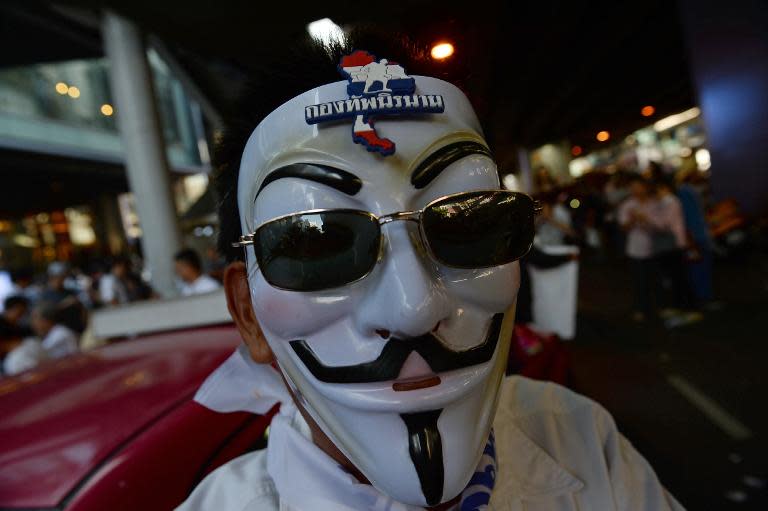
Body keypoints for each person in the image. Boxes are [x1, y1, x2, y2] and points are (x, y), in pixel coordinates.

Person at [179, 32, 683, 510]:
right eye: (322, 246)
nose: (413, 310)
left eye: (470, 229)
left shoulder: (577, 436)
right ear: (248, 313)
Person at [618, 176, 659, 321]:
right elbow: (623, 227)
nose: (635, 190)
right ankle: (640, 308)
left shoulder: (654, 203)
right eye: (633, 187)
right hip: (635, 250)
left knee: (654, 280)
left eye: (638, 186)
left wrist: (645, 219)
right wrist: (633, 219)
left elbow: (660, 224)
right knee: (639, 281)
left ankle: (655, 307)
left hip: (655, 248)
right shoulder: (627, 205)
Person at [3, 301, 78, 375]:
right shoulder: (33, 341)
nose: (33, 323)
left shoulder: (60, 333)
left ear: (46, 319)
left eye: (35, 319)